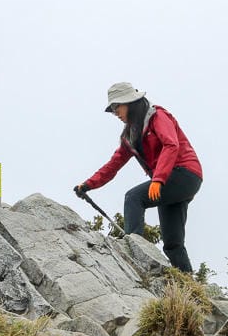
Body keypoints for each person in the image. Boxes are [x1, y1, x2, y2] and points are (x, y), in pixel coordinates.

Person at [74, 82, 203, 273]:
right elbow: (113, 165)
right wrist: (87, 185)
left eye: (117, 107)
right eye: (112, 110)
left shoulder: (157, 116)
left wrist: (158, 179)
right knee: (172, 243)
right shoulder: (130, 136)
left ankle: (133, 251)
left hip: (184, 173)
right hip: (168, 180)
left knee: (133, 197)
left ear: (131, 103)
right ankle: (190, 290)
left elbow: (171, 145)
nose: (115, 113)